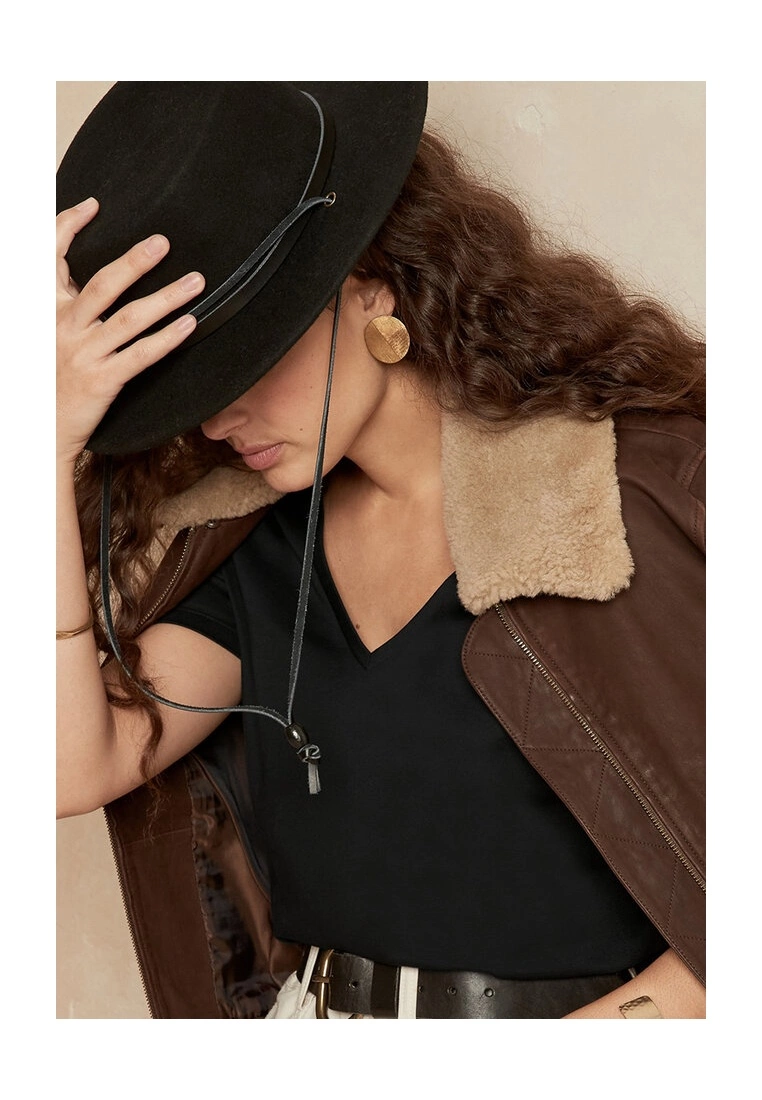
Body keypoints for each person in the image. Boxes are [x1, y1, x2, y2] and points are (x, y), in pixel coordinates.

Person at [56, 82, 705, 1019]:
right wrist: (39, 449)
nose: (215, 418)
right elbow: (71, 764)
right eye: (180, 387)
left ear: (370, 284)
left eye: (243, 357)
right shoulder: (254, 540)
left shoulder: (615, 503)